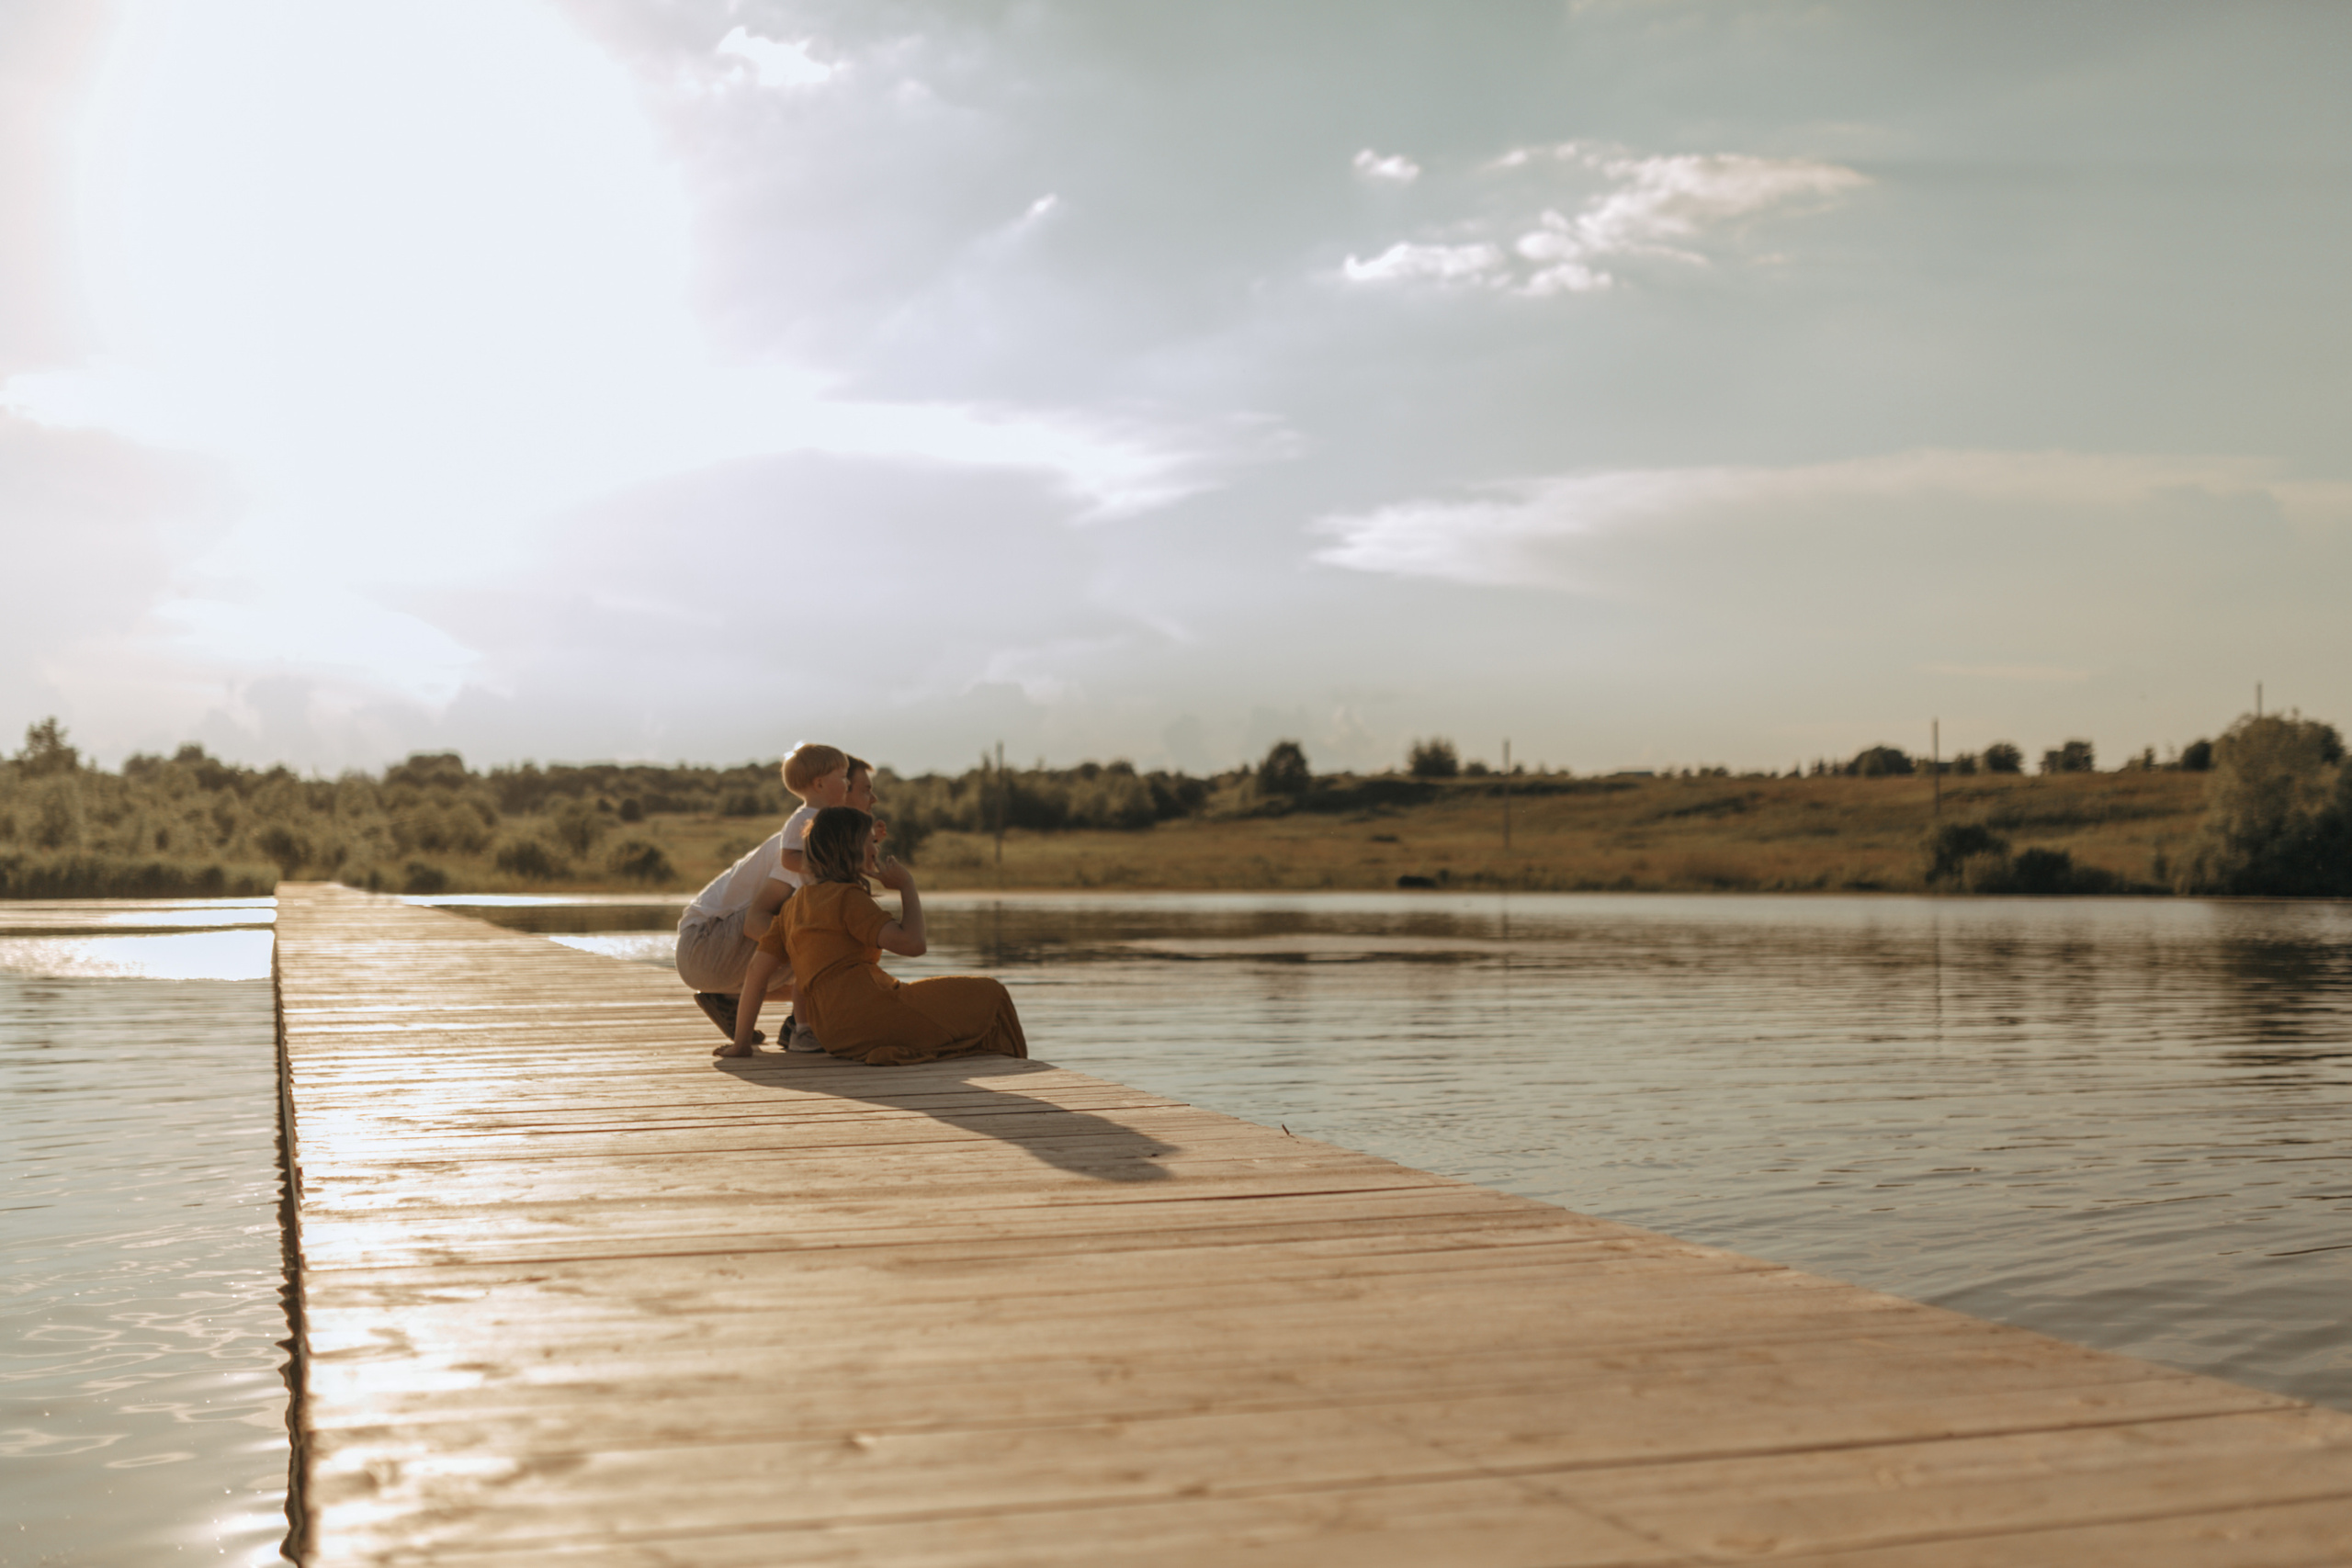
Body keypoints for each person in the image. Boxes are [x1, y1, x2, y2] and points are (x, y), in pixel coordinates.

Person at [722, 806, 1026, 1065]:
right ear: (852, 847)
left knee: (948, 1008)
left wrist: (742, 1044)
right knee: (991, 994)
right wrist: (907, 886)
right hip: (870, 1014)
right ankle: (1015, 1070)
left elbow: (756, 974)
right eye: (870, 841)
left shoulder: (791, 909)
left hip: (833, 1033)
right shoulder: (846, 899)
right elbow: (913, 944)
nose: (876, 849)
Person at [673, 741, 851, 1041]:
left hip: (713, 955)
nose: (872, 798)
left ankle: (731, 1001)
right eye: (847, 780)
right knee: (817, 934)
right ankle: (800, 1025)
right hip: (704, 947)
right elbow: (756, 921)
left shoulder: (824, 832)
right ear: (819, 784)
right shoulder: (806, 834)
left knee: (824, 934)